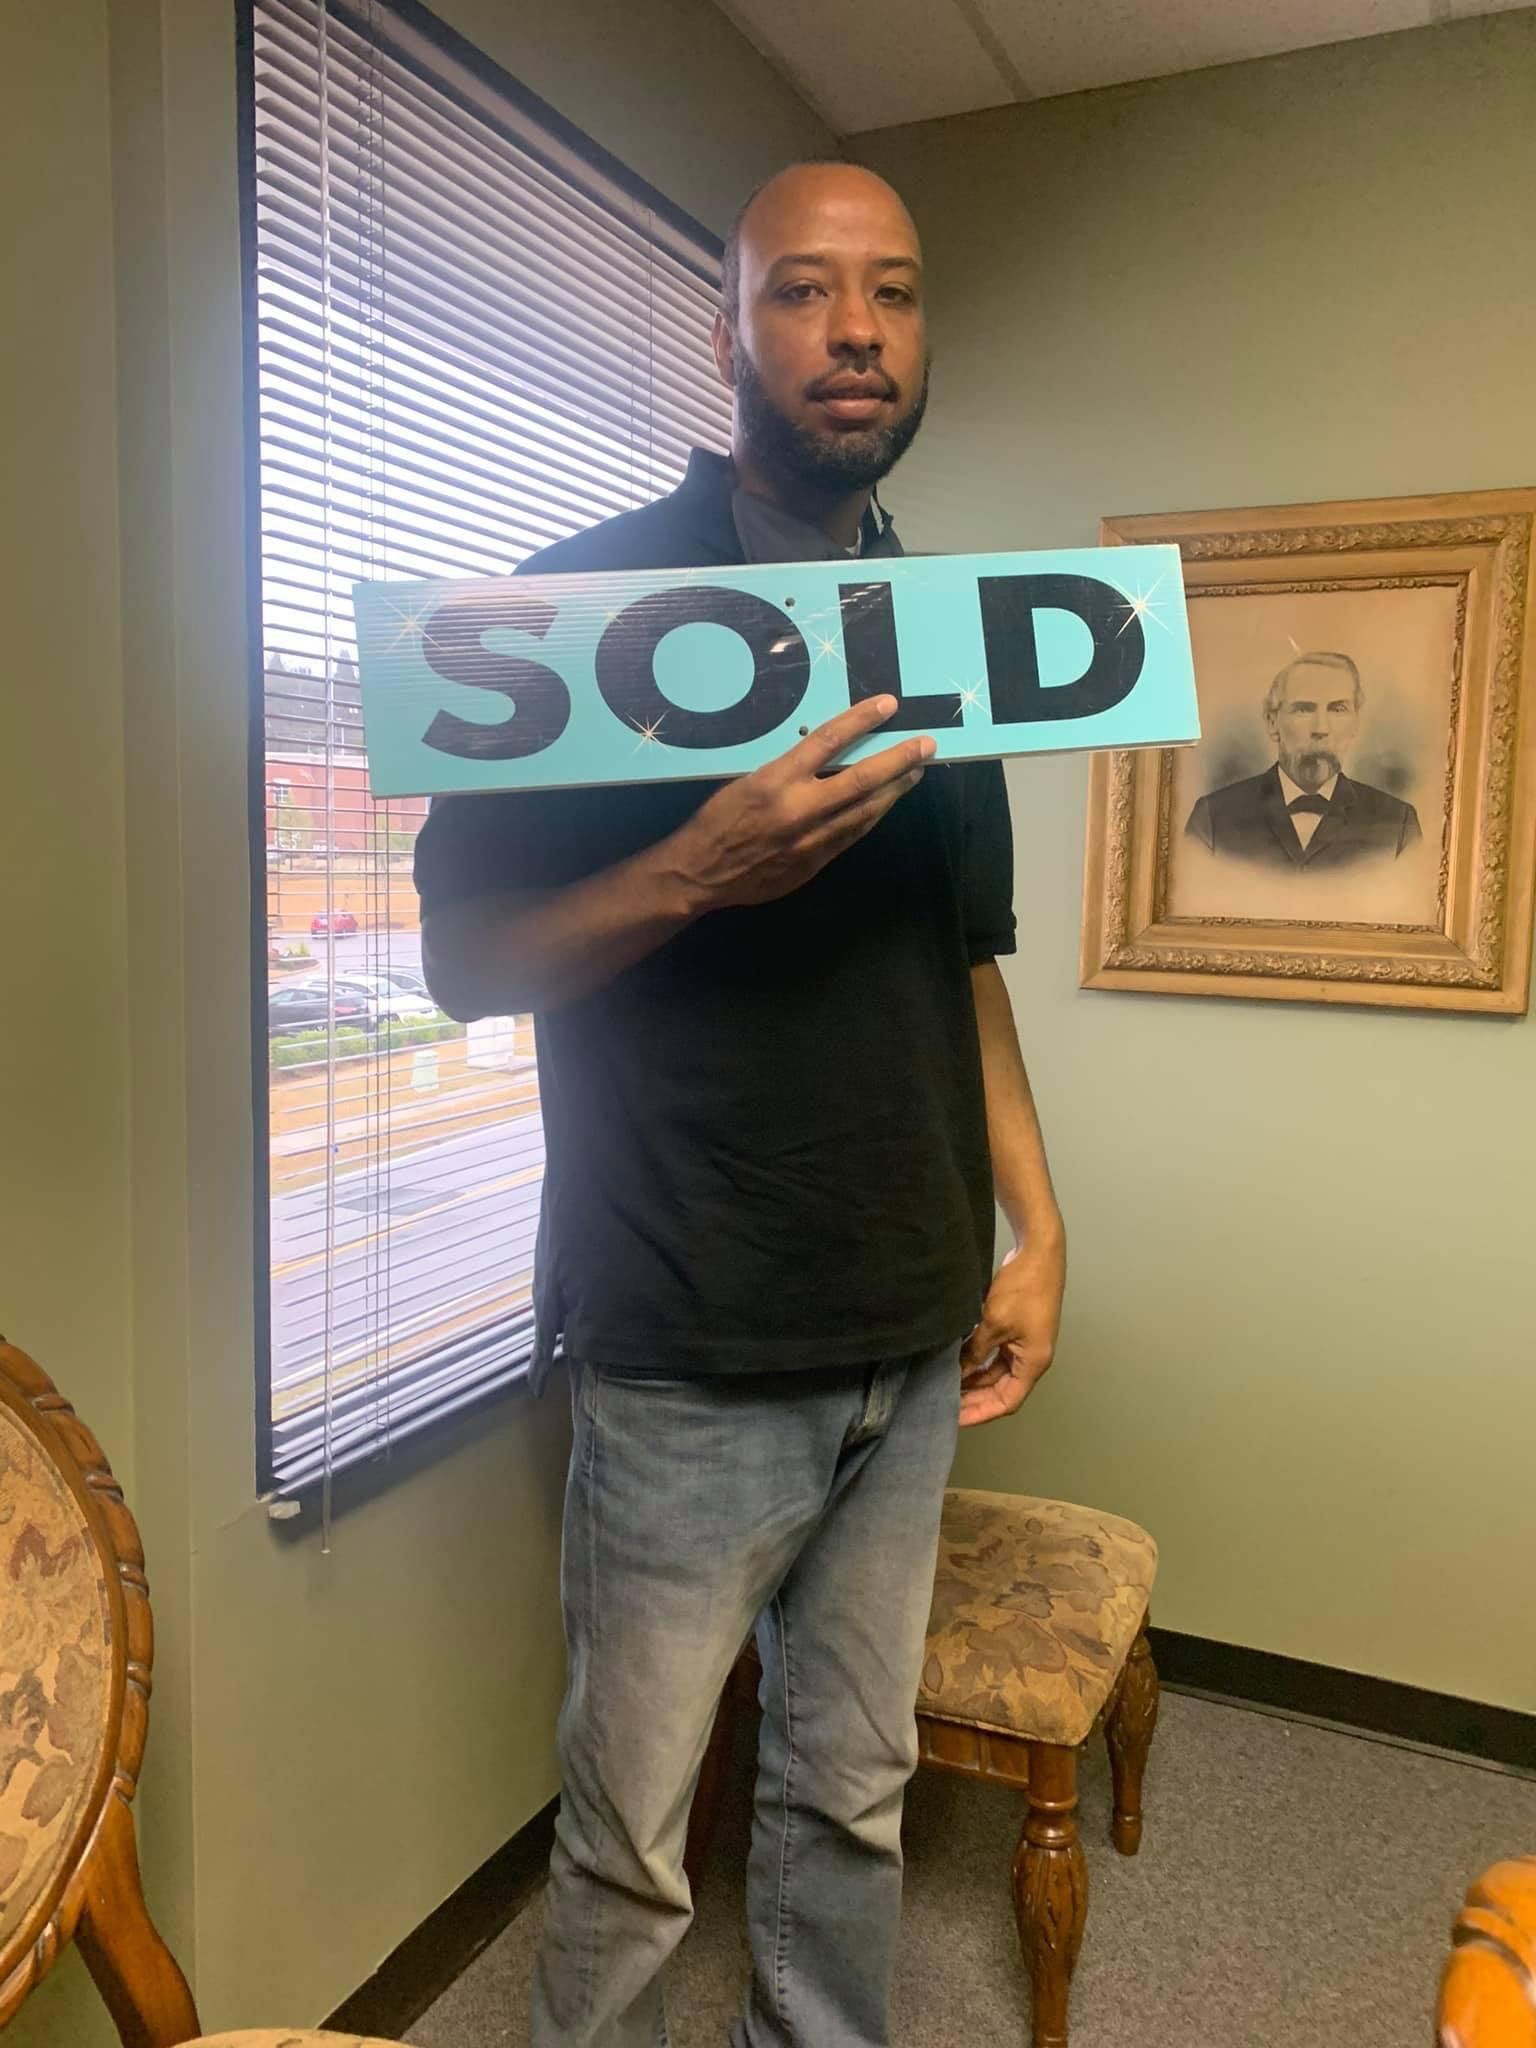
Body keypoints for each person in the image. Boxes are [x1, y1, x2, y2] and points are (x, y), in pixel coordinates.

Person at [415, 160, 1066, 2048]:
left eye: (894, 291)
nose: (854, 328)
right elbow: (467, 963)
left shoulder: (951, 630)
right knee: (629, 1843)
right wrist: (691, 866)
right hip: (691, 1330)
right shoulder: (575, 609)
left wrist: (1038, 1225)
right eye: (801, 290)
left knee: (847, 1795)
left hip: (915, 1322)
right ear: (726, 333)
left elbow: (968, 964)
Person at [1184, 650, 1422, 869]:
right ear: (1272, 722)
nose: (1321, 728)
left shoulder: (1398, 824)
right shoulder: (1213, 819)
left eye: (1337, 709)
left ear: (1355, 723)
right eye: (1304, 709)